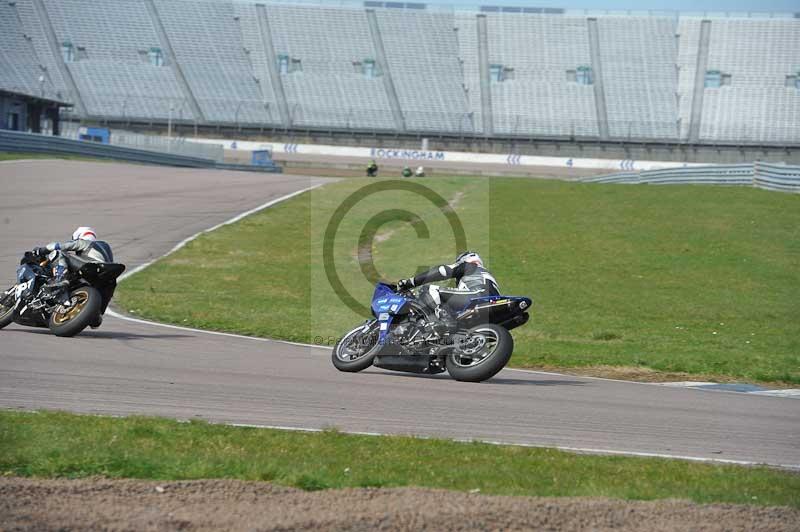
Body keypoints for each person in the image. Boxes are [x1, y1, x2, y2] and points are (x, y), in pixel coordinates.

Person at [34, 226, 115, 327]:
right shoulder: (104, 247)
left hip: (90, 267)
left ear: (79, 236)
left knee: (58, 253)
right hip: (106, 274)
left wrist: (40, 250)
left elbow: (58, 246)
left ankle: (60, 280)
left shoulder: (84, 243)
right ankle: (96, 314)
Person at [396, 251, 499, 327]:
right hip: (493, 304)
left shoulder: (468, 265)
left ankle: (442, 320)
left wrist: (410, 282)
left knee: (428, 289)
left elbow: (442, 271)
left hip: (476, 297)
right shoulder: (486, 274)